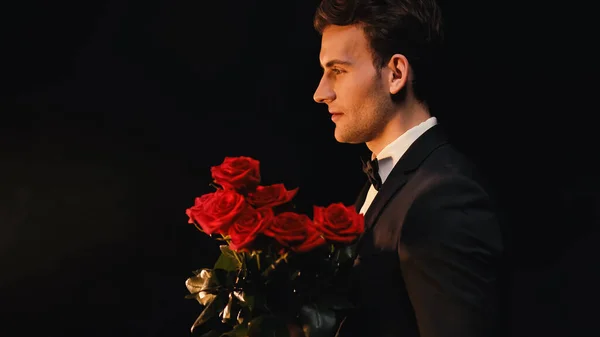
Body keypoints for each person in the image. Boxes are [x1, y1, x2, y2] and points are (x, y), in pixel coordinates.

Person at [312, 0, 505, 336]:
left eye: (338, 71)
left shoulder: (443, 197)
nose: (320, 92)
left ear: (396, 74)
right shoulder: (388, 181)